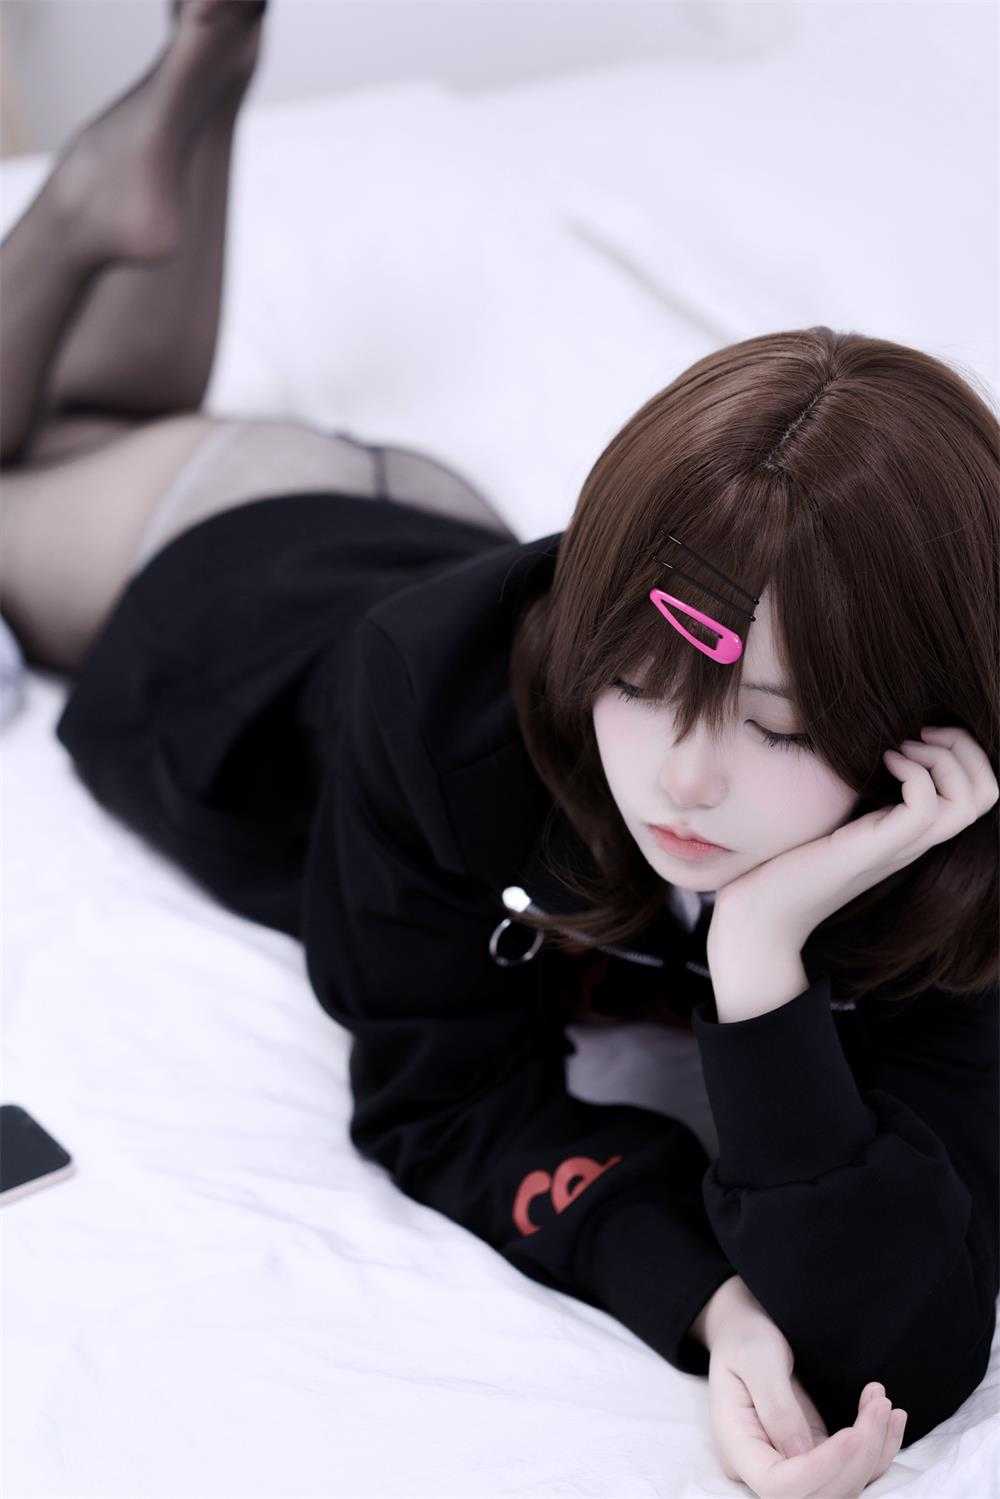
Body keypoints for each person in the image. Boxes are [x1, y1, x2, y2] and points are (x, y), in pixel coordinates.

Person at [1, 5, 997, 1495]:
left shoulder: (949, 821)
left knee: (80, 426)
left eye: (778, 726)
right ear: (597, 633)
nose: (685, 780)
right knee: (34, 475)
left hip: (436, 533)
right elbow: (438, 1096)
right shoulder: (434, 705)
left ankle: (117, 195)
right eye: (640, 687)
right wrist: (700, 1285)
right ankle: (92, 201)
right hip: (248, 591)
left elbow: (909, 1333)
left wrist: (762, 963)